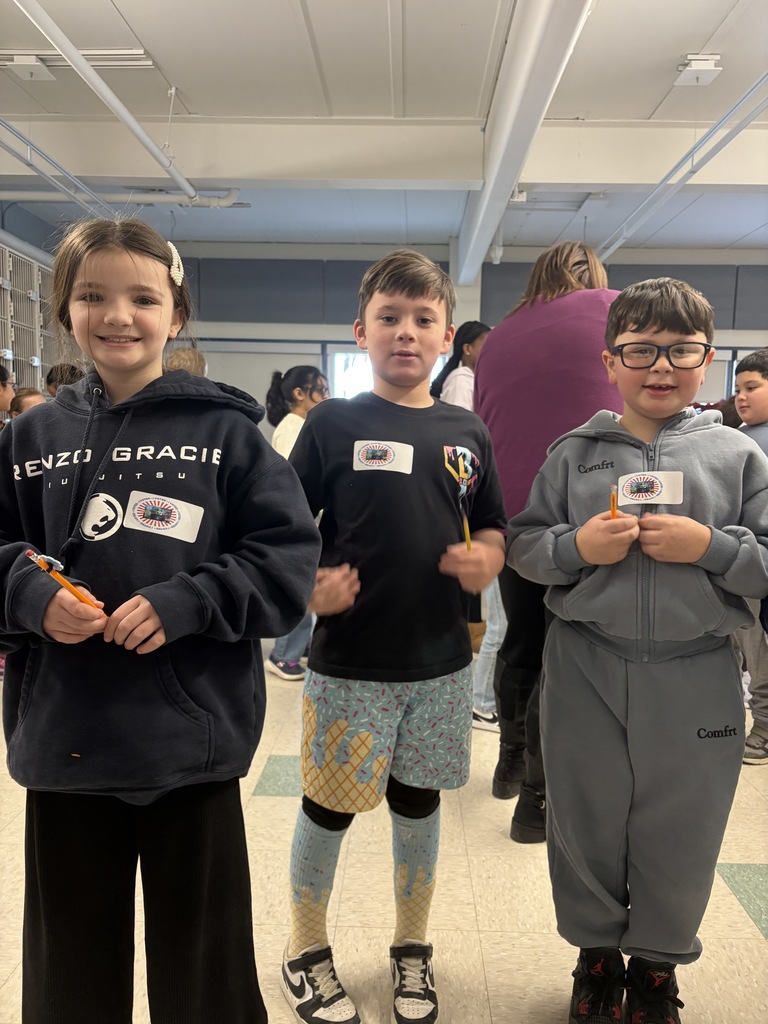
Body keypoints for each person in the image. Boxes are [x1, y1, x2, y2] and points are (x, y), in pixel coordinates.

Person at [0, 217, 321, 1024]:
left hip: (191, 747)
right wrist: (31, 596)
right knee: (68, 978)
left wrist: (189, 601)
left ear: (175, 315)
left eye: (143, 297)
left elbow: (285, 564)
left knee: (205, 977)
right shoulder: (27, 438)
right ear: (63, 309)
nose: (119, 315)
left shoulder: (228, 434)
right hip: (65, 742)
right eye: (93, 296)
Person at [508, 277, 768, 1024]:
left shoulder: (738, 457)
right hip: (587, 663)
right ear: (609, 361)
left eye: (680, 350)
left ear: (708, 360)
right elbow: (527, 547)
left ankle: (656, 966)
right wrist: (574, 545)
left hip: (698, 671)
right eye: (641, 350)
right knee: (585, 818)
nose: (661, 366)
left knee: (682, 825)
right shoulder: (575, 453)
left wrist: (712, 547)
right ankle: (595, 960)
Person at [281, 249, 506, 1024]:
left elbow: (497, 523)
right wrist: (309, 583)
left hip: (440, 666)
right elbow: (280, 531)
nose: (405, 332)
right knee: (328, 808)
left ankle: (413, 948)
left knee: (418, 807)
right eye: (389, 318)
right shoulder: (331, 424)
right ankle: (305, 949)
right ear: (361, 331)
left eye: (422, 320)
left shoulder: (467, 428)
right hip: (349, 665)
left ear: (447, 337)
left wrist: (489, 559)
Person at [475, 240, 621, 838]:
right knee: (569, 655)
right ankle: (537, 801)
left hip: (511, 514)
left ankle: (509, 764)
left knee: (522, 642)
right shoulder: (616, 311)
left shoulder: (501, 336)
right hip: (590, 510)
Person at [430, 321, 505, 731]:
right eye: (484, 345)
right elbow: (458, 461)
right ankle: (481, 699)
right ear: (466, 348)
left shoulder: (472, 398)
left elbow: (491, 519)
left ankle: (479, 698)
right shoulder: (462, 382)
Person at [264, 365, 330, 680]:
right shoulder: (293, 427)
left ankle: (297, 646)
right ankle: (283, 655)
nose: (327, 396)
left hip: (306, 522)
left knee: (306, 590)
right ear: (299, 394)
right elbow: (298, 480)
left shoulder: (301, 424)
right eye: (322, 389)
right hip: (296, 524)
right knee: (300, 593)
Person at [733, 348, 768, 764]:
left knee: (758, 648)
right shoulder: (738, 434)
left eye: (752, 387)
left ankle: (764, 725)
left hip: (759, 562)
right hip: (733, 559)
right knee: (739, 644)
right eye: (739, 388)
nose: (742, 396)